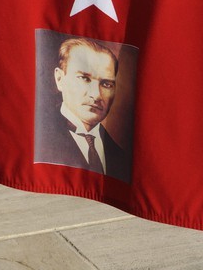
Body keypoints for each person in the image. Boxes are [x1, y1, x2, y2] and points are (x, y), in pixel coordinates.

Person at [34, 37, 131, 182]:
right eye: (84, 78)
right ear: (59, 79)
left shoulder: (121, 157)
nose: (96, 95)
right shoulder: (38, 137)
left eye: (106, 84)